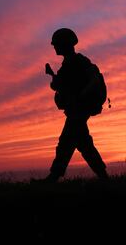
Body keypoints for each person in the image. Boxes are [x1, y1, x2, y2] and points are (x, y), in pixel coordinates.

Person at [43, 28, 108, 182]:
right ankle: (104, 176)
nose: (54, 47)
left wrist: (81, 96)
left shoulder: (78, 61)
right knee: (83, 144)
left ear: (65, 44)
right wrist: (55, 80)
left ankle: (53, 177)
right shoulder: (68, 63)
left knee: (65, 142)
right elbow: (64, 86)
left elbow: (92, 80)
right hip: (75, 109)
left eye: (57, 44)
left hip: (79, 109)